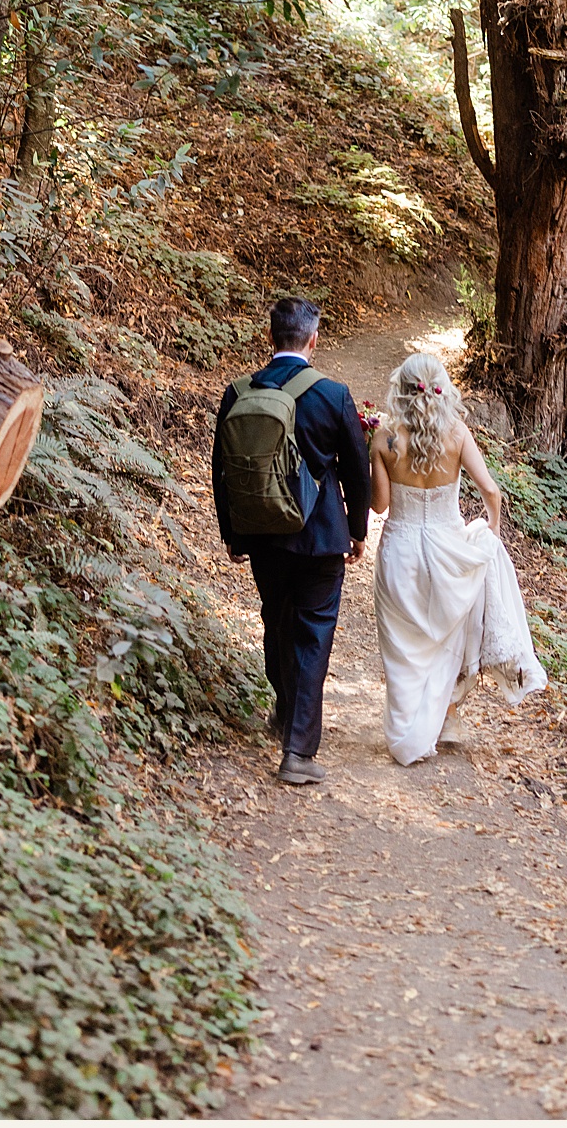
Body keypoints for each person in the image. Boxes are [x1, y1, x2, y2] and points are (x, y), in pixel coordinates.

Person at [220, 296, 374, 787]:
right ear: (313, 340)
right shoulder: (332, 394)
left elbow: (224, 472)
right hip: (320, 537)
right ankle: (298, 751)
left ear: (271, 339)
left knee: (277, 620)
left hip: (262, 534)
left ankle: (285, 712)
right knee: (312, 635)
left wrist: (233, 533)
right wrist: (356, 531)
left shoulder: (239, 392)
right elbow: (356, 469)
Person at [368, 351, 547, 766]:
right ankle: (442, 720)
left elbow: (378, 506)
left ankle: (407, 733)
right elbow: (492, 492)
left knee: (403, 647)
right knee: (444, 638)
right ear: (441, 388)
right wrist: (492, 533)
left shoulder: (384, 439)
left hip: (401, 550)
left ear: (402, 389)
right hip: (449, 552)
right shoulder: (457, 433)